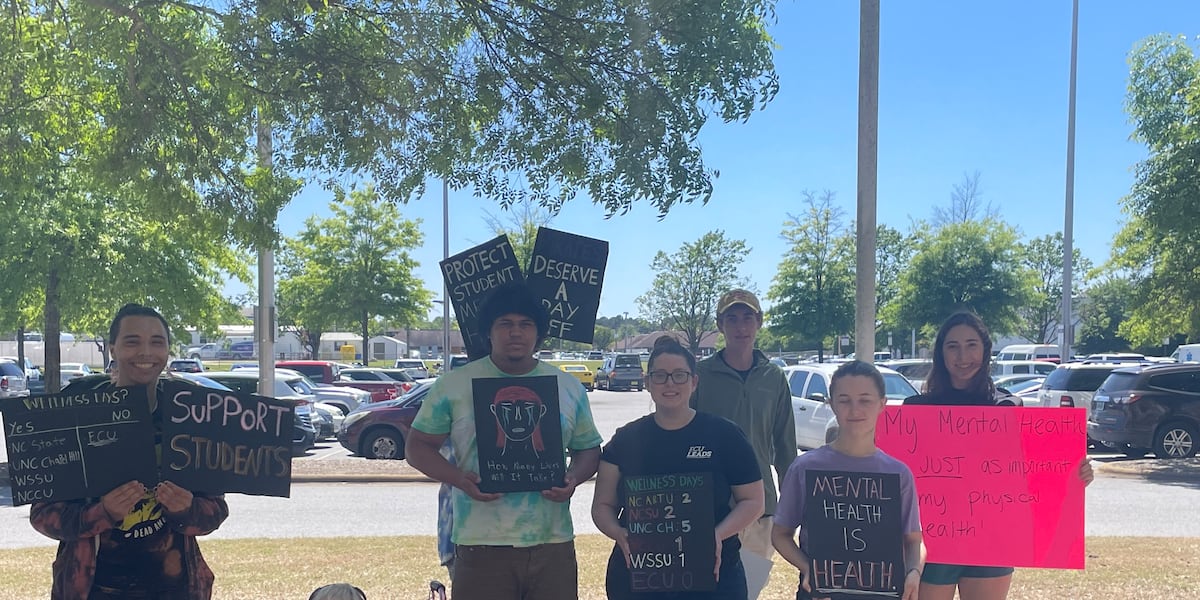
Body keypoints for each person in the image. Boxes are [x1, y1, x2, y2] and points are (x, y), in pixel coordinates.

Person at [405, 282, 603, 600]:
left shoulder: (568, 387)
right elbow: (417, 447)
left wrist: (574, 478)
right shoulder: (453, 385)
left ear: (539, 333)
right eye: (505, 323)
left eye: (526, 324)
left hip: (552, 542)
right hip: (480, 544)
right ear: (488, 331)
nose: (516, 332)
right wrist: (459, 479)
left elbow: (589, 449)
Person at [29, 303, 230, 599]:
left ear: (168, 350)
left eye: (157, 342)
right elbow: (43, 515)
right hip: (91, 590)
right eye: (132, 341)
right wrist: (103, 512)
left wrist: (187, 510)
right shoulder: (76, 415)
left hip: (177, 590)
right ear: (113, 348)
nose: (146, 352)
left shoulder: (189, 417)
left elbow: (215, 511)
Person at [903, 311, 1093, 600]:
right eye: (953, 346)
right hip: (931, 542)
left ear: (986, 350)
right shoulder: (916, 411)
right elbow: (898, 476)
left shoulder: (1008, 407)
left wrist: (1074, 474)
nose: (963, 356)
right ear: (940, 353)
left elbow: (1034, 473)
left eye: (971, 345)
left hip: (992, 540)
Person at [593, 335, 764, 600]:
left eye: (679, 375)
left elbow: (753, 502)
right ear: (647, 383)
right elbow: (602, 506)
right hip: (639, 573)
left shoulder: (726, 436)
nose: (670, 383)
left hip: (714, 574)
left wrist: (717, 535)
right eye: (660, 376)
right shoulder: (625, 440)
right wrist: (619, 533)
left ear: (694, 382)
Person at [772, 361, 926, 600]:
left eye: (865, 400)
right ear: (831, 404)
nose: (855, 410)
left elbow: (914, 540)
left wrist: (914, 571)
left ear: (882, 404)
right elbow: (780, 534)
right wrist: (809, 568)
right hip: (821, 595)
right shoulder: (805, 468)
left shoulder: (898, 474)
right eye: (844, 400)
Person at [692, 289, 797, 571]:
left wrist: (792, 502)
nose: (741, 327)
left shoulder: (774, 378)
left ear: (759, 322)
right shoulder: (699, 376)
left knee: (750, 585)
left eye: (748, 318)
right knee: (707, 584)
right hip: (710, 506)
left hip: (761, 506)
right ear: (720, 325)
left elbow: (785, 446)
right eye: (732, 318)